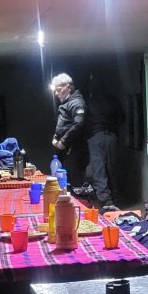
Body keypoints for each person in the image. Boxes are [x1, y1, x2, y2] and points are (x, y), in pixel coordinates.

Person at [85, 74, 125, 212]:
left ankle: (106, 203)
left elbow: (84, 123)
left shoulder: (89, 103)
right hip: (112, 137)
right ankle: (117, 200)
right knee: (113, 170)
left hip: (96, 138)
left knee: (99, 171)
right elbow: (122, 119)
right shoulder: (113, 101)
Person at [49, 73, 90, 192]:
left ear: (68, 87)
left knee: (75, 182)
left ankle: (78, 200)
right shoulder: (68, 103)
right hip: (66, 150)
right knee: (65, 181)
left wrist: (63, 141)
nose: (56, 94)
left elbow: (79, 124)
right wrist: (57, 137)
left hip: (74, 149)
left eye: (59, 90)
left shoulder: (76, 103)